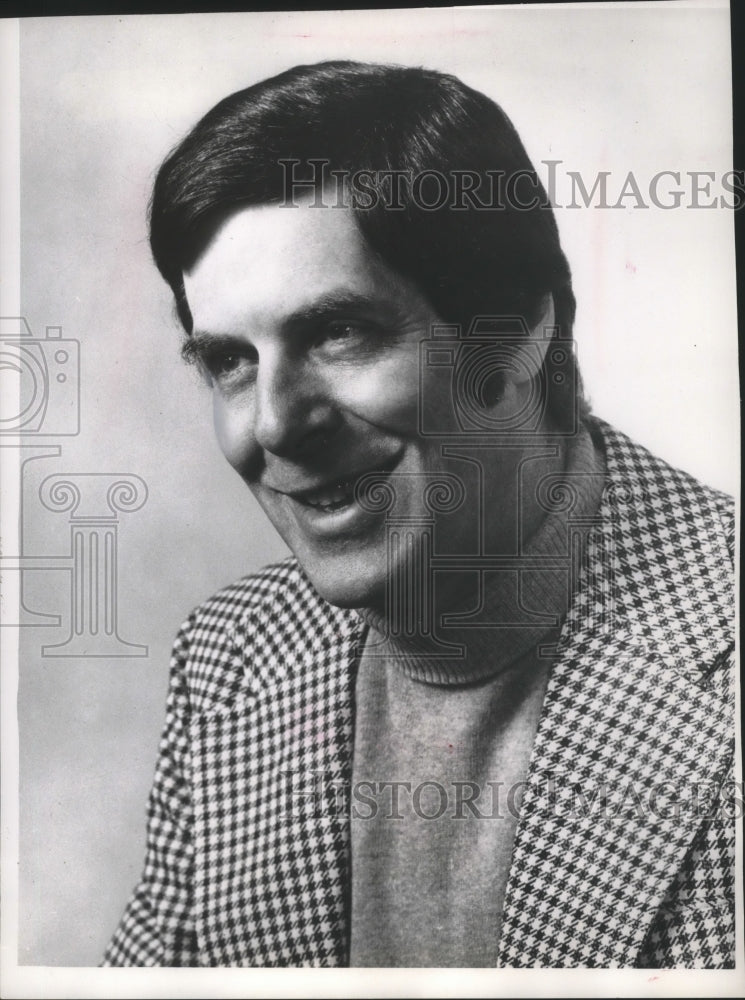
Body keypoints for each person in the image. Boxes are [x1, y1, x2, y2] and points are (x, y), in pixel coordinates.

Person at [102, 61, 735, 968]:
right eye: (230, 361)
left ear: (517, 332)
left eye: (339, 331)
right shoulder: (227, 660)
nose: (276, 422)